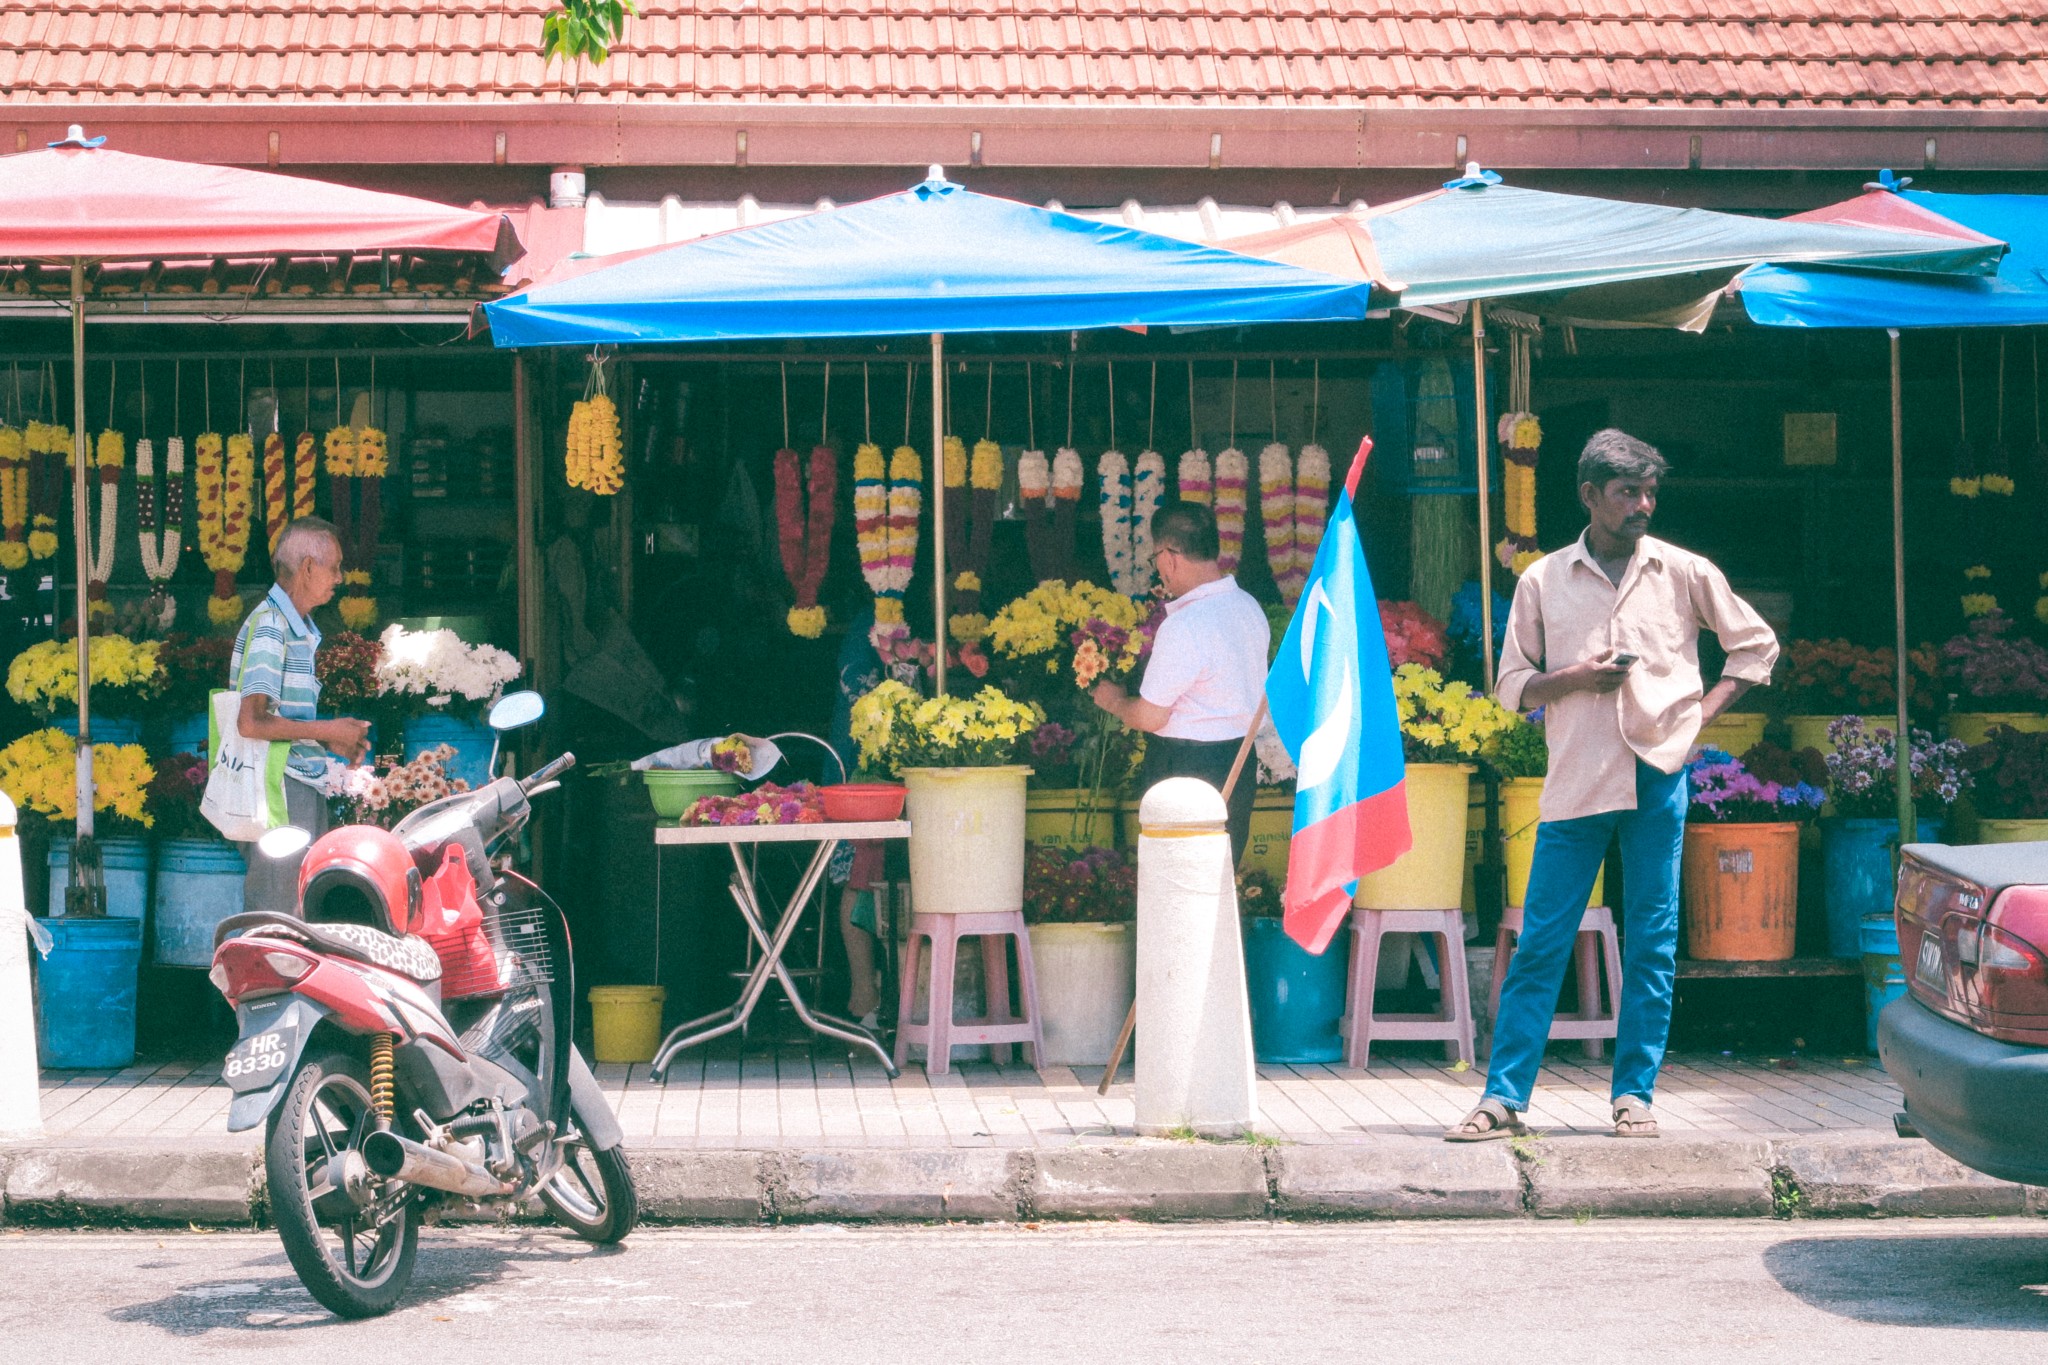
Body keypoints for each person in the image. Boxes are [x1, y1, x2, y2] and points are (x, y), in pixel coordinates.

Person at [1447, 429, 1778, 1143]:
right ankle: (1504, 1097)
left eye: (1650, 491)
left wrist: (1699, 716)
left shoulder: (1684, 571)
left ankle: (1635, 1095)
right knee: (1542, 941)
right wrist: (1574, 679)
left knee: (1653, 942)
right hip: (1577, 783)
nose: (1643, 504)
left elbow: (1756, 648)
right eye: (1628, 491)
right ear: (1589, 494)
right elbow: (1509, 685)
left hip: (1659, 774)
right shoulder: (1543, 579)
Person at [1092, 502, 1270, 862]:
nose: (1159, 568)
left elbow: (1150, 716)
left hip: (1186, 766)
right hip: (1239, 760)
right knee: (1218, 877)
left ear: (1170, 556)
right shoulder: (1249, 607)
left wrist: (1112, 700)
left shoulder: (1185, 625)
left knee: (1175, 883)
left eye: (1155, 555)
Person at [228, 517, 372, 913]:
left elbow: (275, 718)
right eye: (335, 567)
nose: (340, 578)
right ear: (308, 567)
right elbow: (250, 721)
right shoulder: (273, 627)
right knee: (279, 921)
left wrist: (328, 737)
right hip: (280, 793)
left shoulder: (295, 627)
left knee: (298, 915)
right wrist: (326, 729)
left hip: (294, 788)